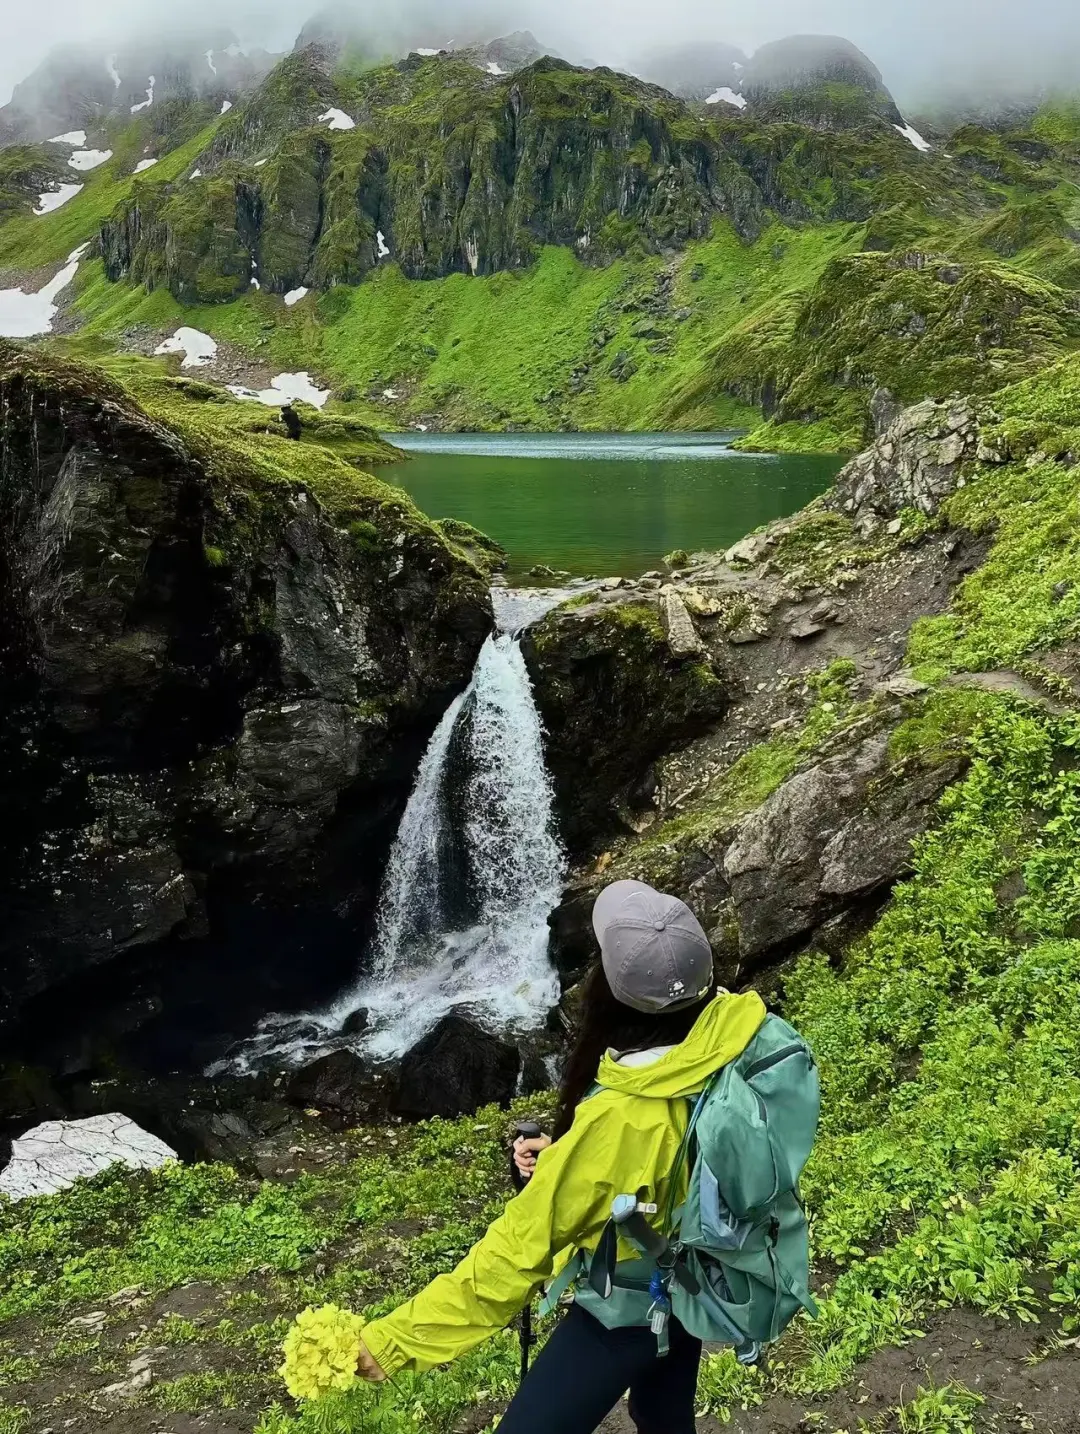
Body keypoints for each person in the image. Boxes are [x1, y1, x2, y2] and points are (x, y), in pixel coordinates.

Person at [353, 879, 769, 1433]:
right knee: (662, 1415)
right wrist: (573, 1160)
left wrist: (394, 1340)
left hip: (630, 1303)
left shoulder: (621, 1115)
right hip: (693, 1273)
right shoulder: (729, 1036)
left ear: (610, 991)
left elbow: (514, 1255)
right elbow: (671, 1155)